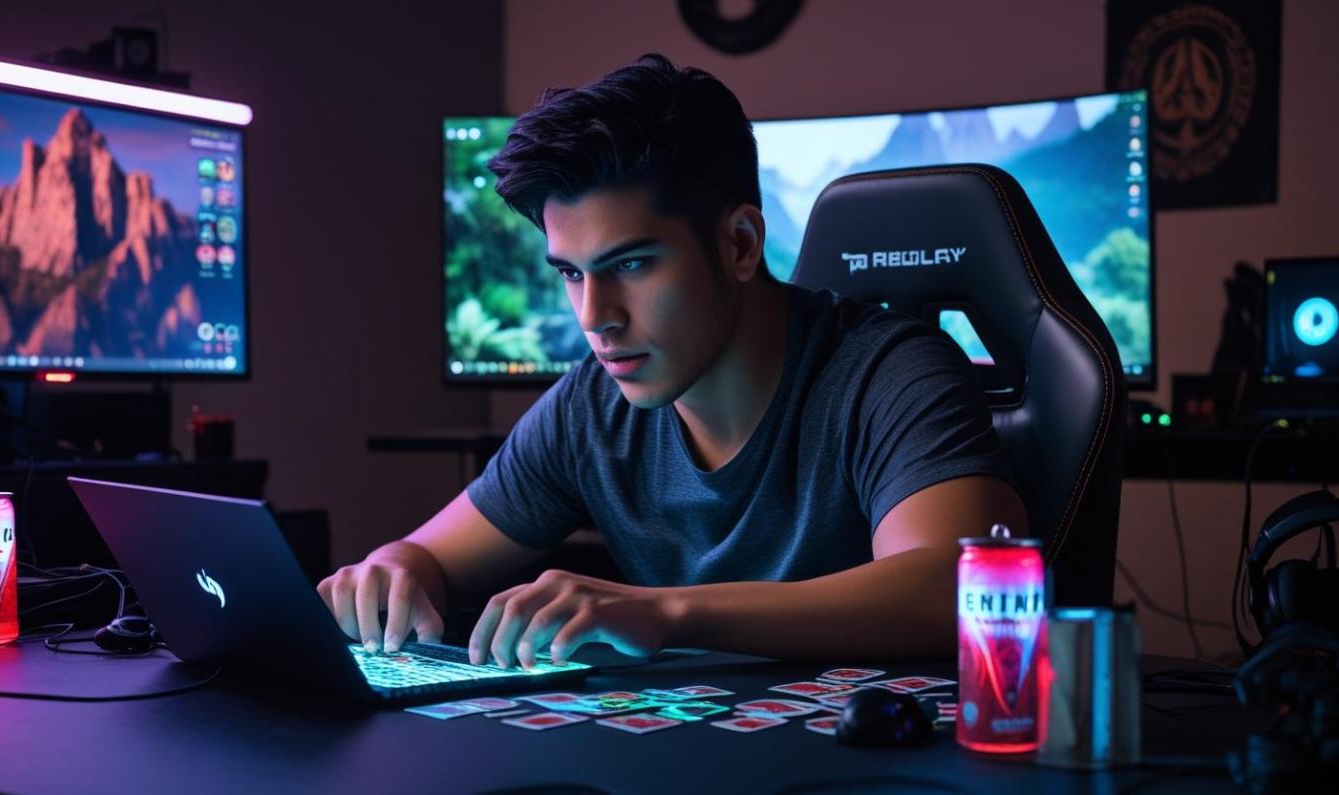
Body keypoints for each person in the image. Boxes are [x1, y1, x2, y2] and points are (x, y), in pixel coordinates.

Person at [318, 53, 1027, 668]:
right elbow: (428, 558)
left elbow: (954, 590)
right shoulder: (590, 406)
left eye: (631, 264)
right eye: (571, 273)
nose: (595, 317)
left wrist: (666, 612)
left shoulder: (893, 372)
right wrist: (394, 570)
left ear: (742, 244)